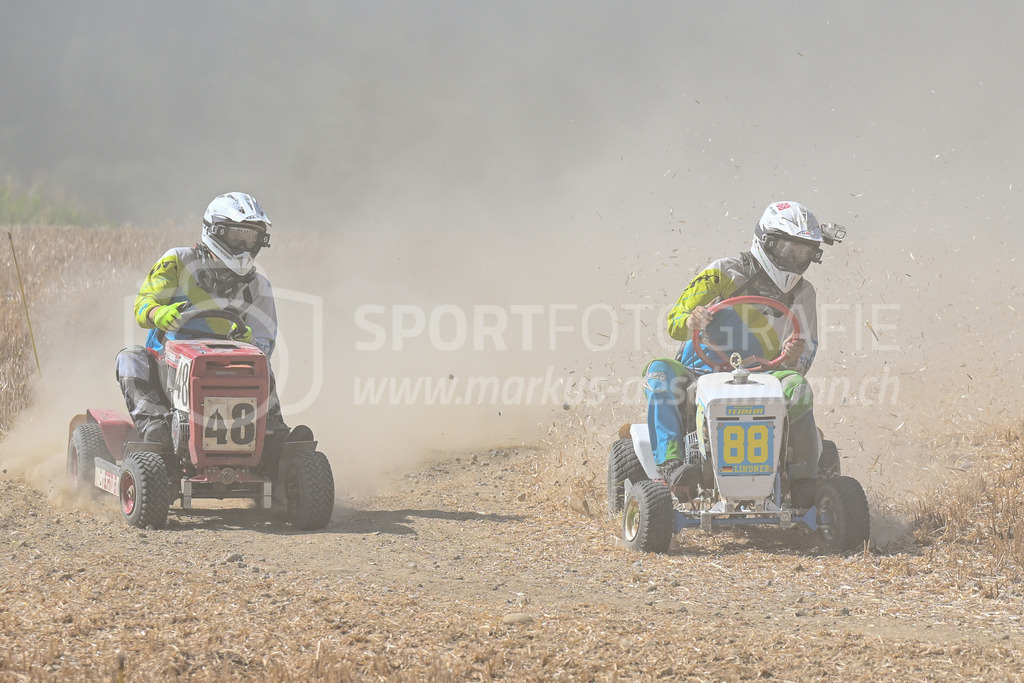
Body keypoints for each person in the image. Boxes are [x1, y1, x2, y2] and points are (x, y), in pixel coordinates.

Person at [643, 200, 844, 505]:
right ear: (767, 242)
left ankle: (805, 483)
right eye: (788, 250)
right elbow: (674, 322)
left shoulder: (804, 293)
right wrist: (691, 320)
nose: (794, 259)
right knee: (659, 372)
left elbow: (806, 351)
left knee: (798, 388)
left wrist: (792, 360)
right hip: (701, 371)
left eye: (802, 252)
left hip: (763, 375)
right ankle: (673, 468)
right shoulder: (722, 272)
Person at [114, 191, 293, 468]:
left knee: (260, 363)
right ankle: (155, 429)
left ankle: (274, 434)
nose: (244, 247)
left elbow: (265, 341)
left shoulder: (258, 286)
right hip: (167, 367)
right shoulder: (177, 261)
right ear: (215, 232)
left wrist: (250, 342)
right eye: (237, 238)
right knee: (130, 357)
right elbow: (142, 305)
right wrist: (158, 313)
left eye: (251, 239)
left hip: (232, 369)